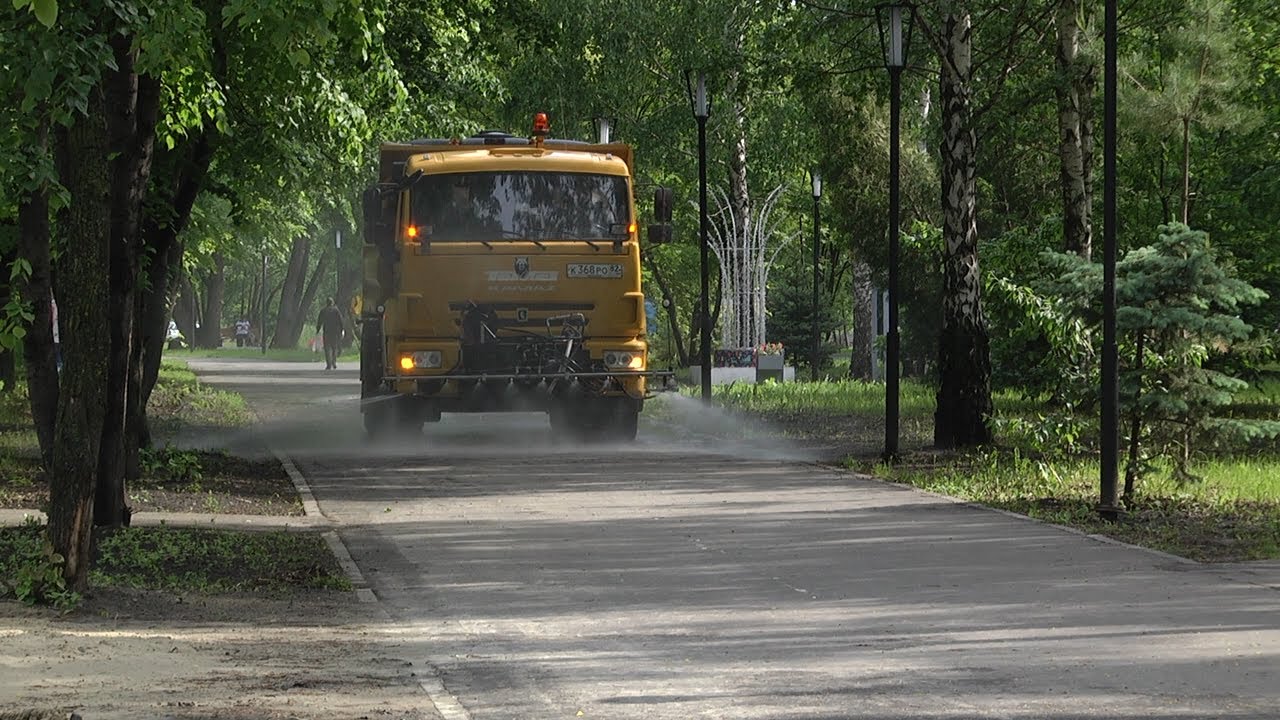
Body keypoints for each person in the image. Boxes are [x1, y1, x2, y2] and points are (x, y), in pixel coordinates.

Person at [316, 297, 344, 370]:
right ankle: (333, 362)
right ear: (332, 303)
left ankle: (329, 364)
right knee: (334, 347)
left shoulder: (323, 311)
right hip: (335, 332)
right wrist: (341, 330)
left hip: (327, 331)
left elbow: (319, 321)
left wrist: (318, 329)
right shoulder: (336, 310)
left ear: (326, 303)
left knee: (327, 348)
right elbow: (341, 321)